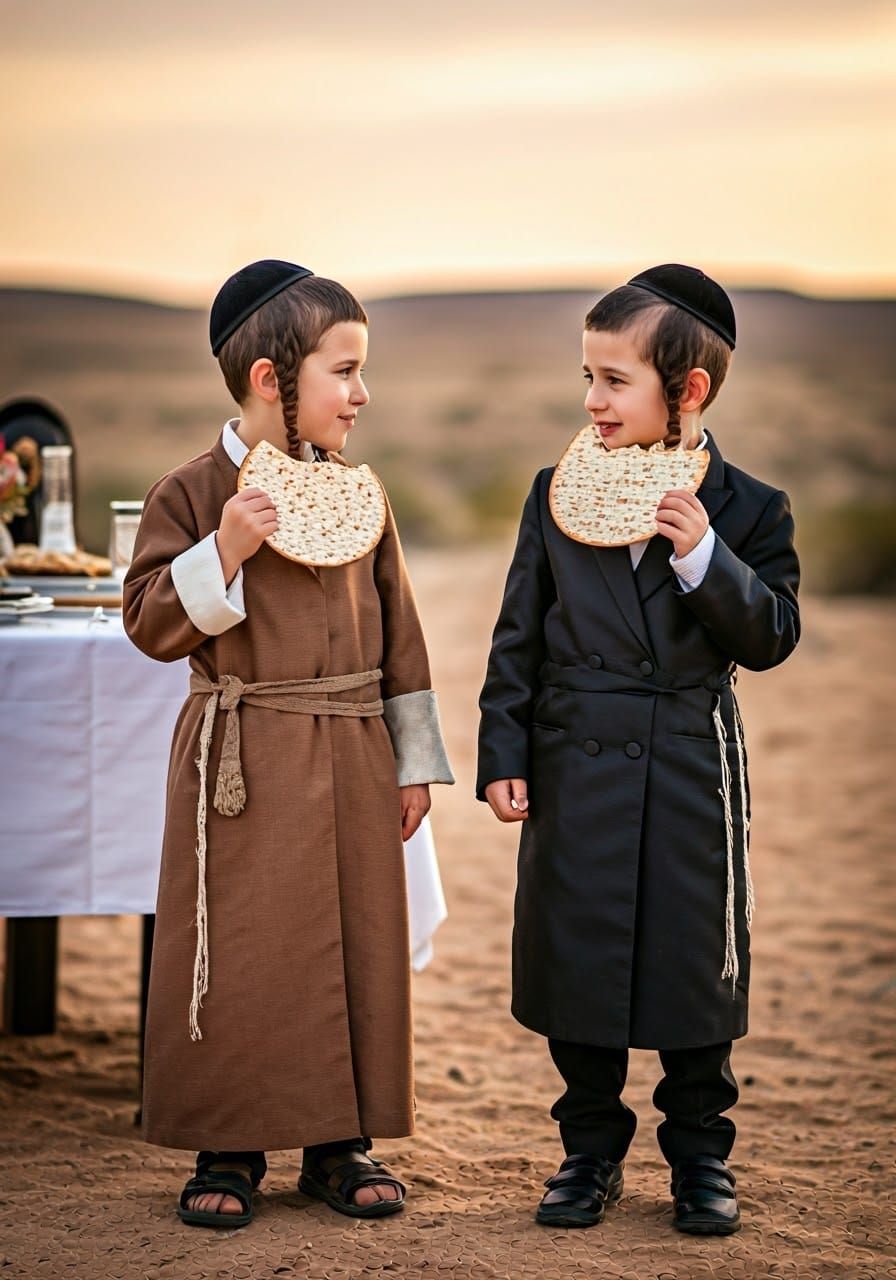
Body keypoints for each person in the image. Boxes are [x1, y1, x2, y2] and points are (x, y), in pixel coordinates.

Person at [124, 259, 454, 1229]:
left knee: (351, 941)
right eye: (343, 371)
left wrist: (414, 763)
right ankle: (227, 1143)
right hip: (241, 761)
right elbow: (148, 623)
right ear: (271, 379)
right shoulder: (189, 493)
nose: (361, 393)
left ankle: (337, 1143)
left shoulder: (362, 496)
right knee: (240, 948)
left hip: (352, 753)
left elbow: (402, 636)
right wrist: (222, 548)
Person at [477, 264, 800, 1235]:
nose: (592, 399)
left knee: (692, 965)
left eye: (615, 380)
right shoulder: (553, 492)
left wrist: (704, 556)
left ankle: (700, 1157)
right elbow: (517, 638)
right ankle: (587, 1151)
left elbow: (772, 636)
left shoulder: (749, 507)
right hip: (574, 766)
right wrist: (504, 751)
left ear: (686, 390)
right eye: (588, 375)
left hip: (689, 767)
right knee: (578, 959)